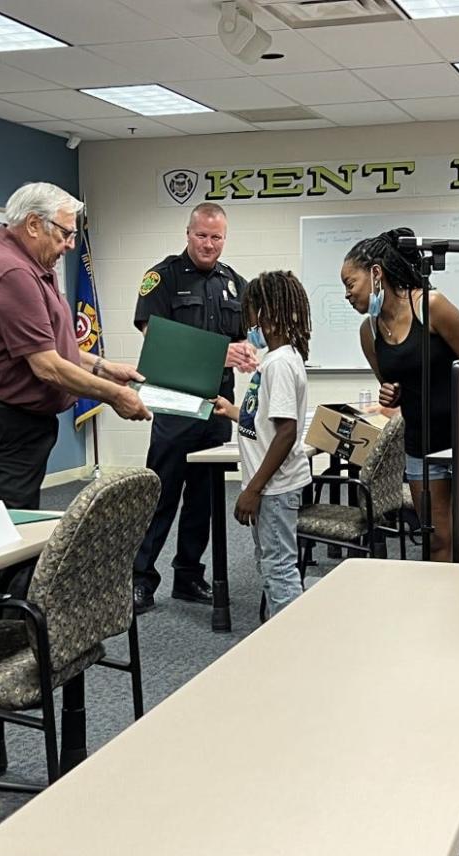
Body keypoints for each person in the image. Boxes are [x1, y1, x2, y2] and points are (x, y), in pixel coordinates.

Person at [0, 182, 150, 513]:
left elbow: (48, 344)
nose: (70, 244)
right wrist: (115, 395)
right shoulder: (13, 270)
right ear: (32, 224)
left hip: (14, 419)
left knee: (21, 515)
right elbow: (47, 365)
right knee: (10, 522)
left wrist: (104, 367)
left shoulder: (30, 261)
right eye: (65, 233)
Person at [131, 203, 258, 613]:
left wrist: (250, 353)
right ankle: (140, 580)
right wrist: (221, 354)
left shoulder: (236, 284)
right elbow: (158, 343)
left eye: (216, 237)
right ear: (188, 234)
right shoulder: (161, 278)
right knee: (161, 494)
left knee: (204, 497)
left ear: (225, 237)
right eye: (201, 235)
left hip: (217, 406)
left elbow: (249, 338)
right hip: (175, 403)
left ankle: (189, 575)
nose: (208, 244)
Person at [340, 228, 459, 562]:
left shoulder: (431, 306)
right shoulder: (369, 332)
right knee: (436, 539)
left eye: (350, 284)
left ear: (376, 273)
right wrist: (389, 392)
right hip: (421, 444)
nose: (347, 295)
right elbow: (391, 389)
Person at [210, 271, 312, 620]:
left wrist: (253, 489)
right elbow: (265, 419)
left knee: (279, 568)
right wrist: (233, 412)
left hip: (273, 489)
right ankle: (280, 633)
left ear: (267, 314)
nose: (248, 322)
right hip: (270, 486)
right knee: (270, 563)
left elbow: (285, 432)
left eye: (251, 312)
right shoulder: (272, 360)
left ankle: (293, 642)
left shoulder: (280, 363)